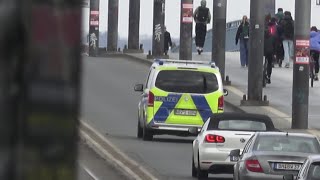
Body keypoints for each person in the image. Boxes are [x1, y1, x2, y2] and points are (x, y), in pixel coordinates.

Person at [264, 17, 277, 84]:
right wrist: (275, 53)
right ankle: (268, 76)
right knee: (269, 63)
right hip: (270, 51)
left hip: (263, 52)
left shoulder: (262, 36)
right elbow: (275, 46)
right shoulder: (273, 37)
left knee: (262, 62)